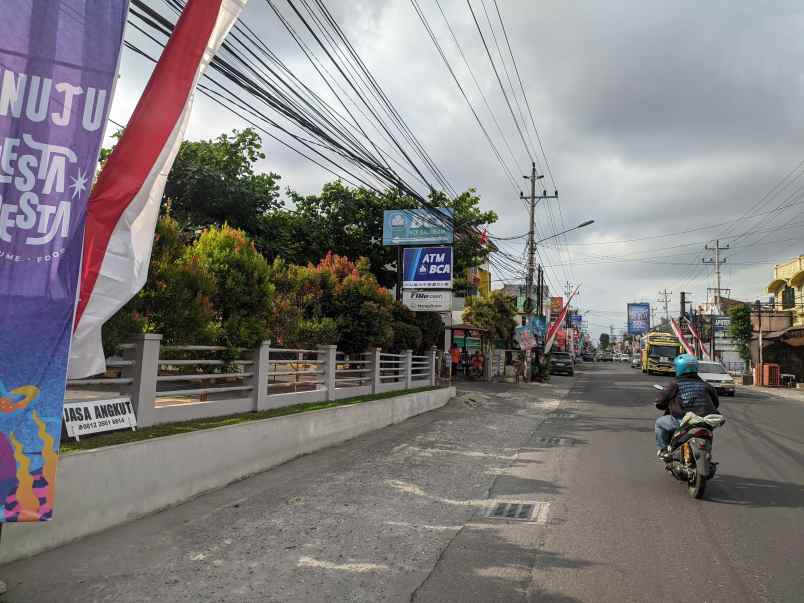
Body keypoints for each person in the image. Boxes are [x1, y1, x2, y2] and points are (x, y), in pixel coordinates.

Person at [654, 354, 719, 459]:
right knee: (708, 433)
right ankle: (707, 453)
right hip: (705, 421)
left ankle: (663, 450)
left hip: (684, 421)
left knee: (660, 423)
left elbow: (660, 400)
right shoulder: (705, 385)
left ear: (679, 368)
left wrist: (660, 404)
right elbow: (715, 403)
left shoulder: (674, 383)